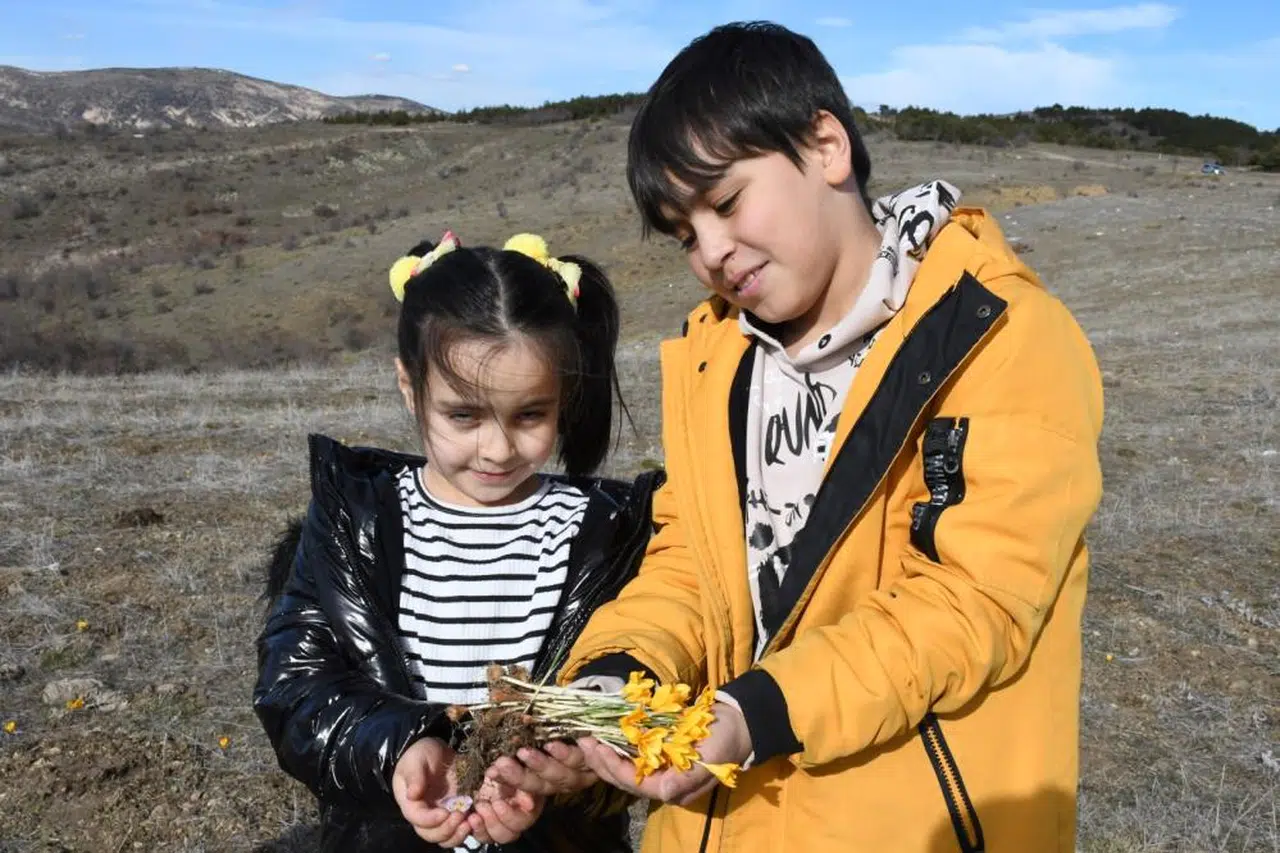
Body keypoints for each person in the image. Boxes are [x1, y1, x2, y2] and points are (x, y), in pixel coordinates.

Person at [507, 20, 1104, 853]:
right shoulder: (717, 358)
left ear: (826, 146)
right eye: (685, 235)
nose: (712, 252)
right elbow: (691, 562)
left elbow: (973, 600)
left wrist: (756, 714)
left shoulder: (998, 336)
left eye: (726, 202)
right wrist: (620, 675)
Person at [253, 231, 661, 853]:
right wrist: (399, 746)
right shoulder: (356, 522)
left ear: (564, 396)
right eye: (464, 416)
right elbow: (294, 688)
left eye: (530, 415)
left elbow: (643, 674)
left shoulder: (606, 533)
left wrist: (573, 765)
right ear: (409, 386)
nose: (497, 449)